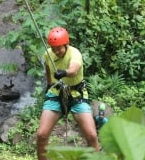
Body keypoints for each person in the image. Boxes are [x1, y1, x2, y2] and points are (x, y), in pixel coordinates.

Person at [36, 27, 100, 160]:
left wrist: (64, 73)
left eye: (59, 48)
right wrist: (49, 84)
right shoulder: (48, 54)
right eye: (54, 48)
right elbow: (47, 67)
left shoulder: (74, 53)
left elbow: (74, 69)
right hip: (56, 92)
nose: (56, 51)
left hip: (77, 94)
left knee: (92, 136)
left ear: (66, 44)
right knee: (41, 135)